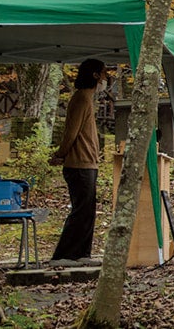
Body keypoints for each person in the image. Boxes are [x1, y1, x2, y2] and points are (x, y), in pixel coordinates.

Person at [49, 58, 105, 265]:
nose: (106, 78)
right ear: (95, 75)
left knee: (88, 210)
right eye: (104, 73)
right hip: (79, 163)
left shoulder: (87, 99)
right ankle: (64, 255)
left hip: (88, 162)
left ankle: (82, 253)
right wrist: (61, 154)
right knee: (81, 210)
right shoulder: (81, 98)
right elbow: (70, 133)